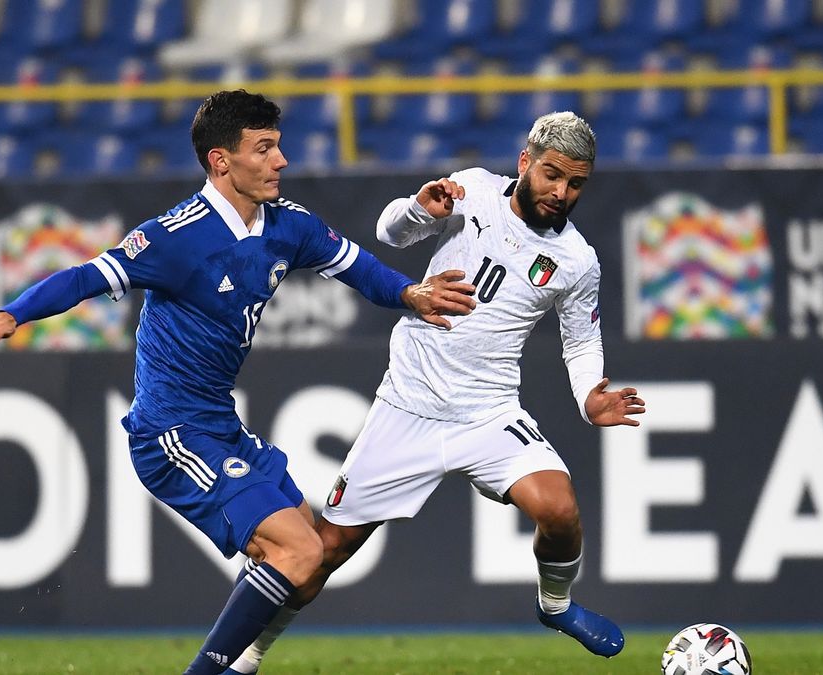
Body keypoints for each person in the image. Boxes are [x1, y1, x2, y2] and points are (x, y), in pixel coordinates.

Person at [0, 89, 476, 675]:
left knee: (308, 556)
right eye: (264, 148)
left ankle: (235, 664)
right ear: (221, 161)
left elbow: (359, 267)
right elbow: (86, 276)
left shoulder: (289, 227)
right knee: (300, 551)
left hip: (220, 427)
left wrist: (411, 294)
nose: (281, 161)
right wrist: (10, 315)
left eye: (279, 146)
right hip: (170, 433)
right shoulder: (176, 237)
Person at [228, 111, 646, 674]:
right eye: (551, 175)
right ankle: (246, 657)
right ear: (525, 161)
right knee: (321, 553)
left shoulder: (578, 260)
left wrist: (590, 396)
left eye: (575, 184)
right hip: (409, 405)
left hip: (489, 412)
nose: (561, 192)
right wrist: (417, 209)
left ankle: (556, 605)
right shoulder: (472, 191)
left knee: (561, 510)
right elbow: (389, 233)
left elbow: (580, 342)